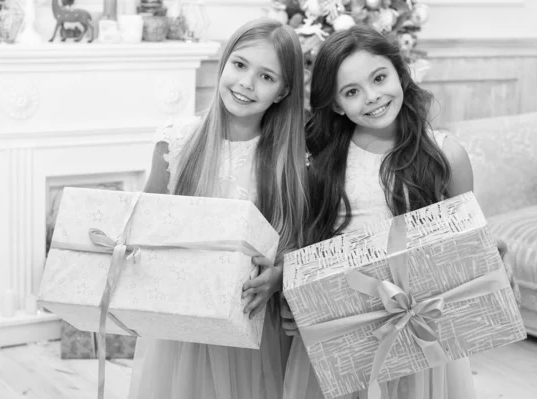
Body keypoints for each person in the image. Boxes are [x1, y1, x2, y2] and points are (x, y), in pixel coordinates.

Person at [282, 25, 477, 399]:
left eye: (380, 78)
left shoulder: (446, 155)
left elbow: (465, 247)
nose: (372, 97)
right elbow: (304, 243)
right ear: (337, 104)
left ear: (399, 72)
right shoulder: (321, 163)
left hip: (420, 331)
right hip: (344, 328)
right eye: (352, 92)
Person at [128, 17, 308, 399]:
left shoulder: (292, 162)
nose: (246, 83)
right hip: (181, 324)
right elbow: (144, 224)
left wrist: (278, 277)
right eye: (240, 65)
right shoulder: (176, 142)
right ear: (223, 63)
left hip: (254, 326)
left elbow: (303, 244)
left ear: (283, 91)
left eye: (266, 76)